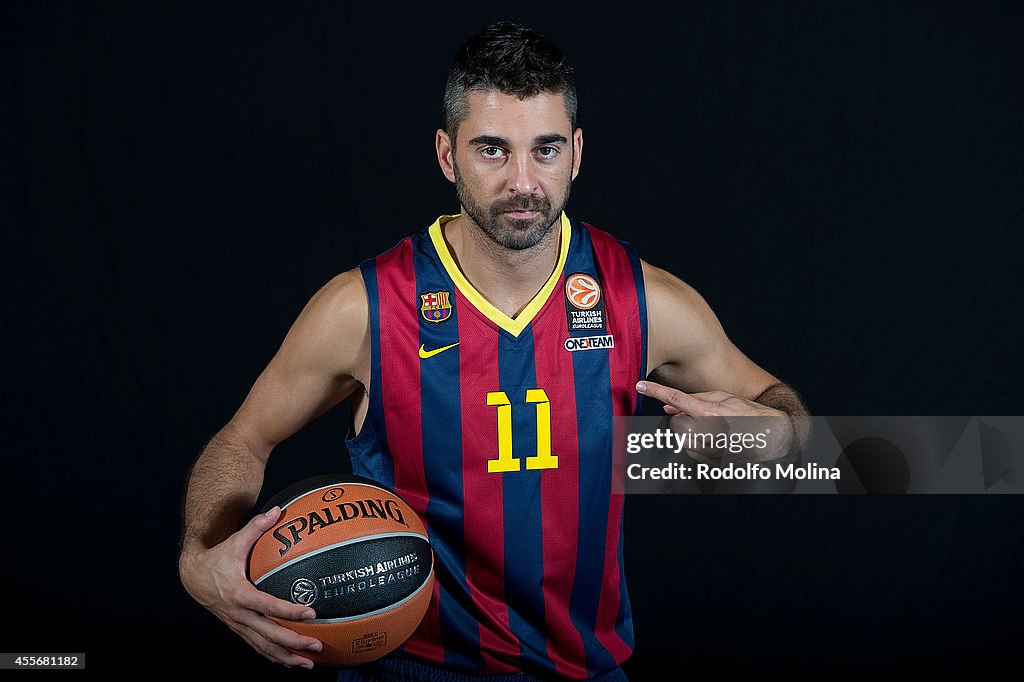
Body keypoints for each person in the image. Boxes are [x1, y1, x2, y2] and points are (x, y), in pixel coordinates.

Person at [177, 20, 809, 681]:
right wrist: (199, 558)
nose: (522, 181)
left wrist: (769, 437)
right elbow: (242, 440)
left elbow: (787, 421)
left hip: (583, 671)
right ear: (447, 155)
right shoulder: (362, 309)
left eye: (544, 150)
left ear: (577, 153)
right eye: (491, 151)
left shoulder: (642, 301)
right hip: (414, 670)